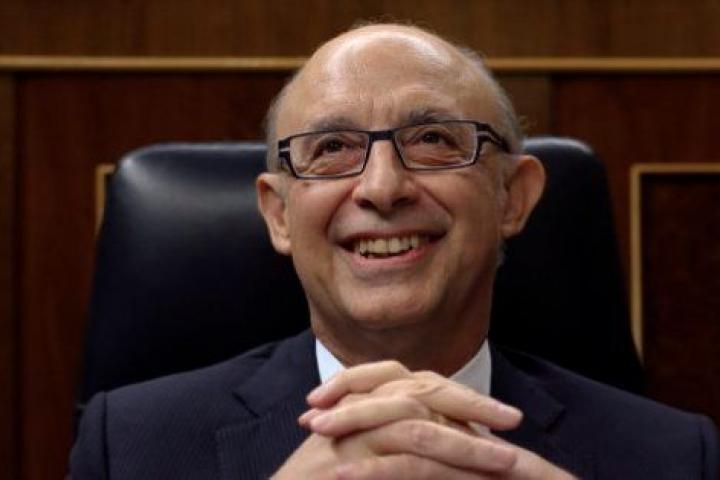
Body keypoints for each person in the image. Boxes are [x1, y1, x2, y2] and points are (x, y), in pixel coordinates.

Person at [70, 23, 719, 479]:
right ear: (279, 214)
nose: (382, 188)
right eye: (331, 149)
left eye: (434, 139)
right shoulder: (130, 447)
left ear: (512, 197)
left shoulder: (670, 457)